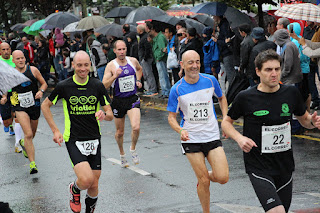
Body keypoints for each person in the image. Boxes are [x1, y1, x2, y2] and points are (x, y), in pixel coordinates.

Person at [222, 49, 320, 213]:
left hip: (284, 165)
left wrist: (313, 122)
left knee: (282, 210)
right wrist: (239, 138)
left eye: (277, 69)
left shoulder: (291, 93)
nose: (274, 74)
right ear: (258, 71)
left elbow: (304, 120)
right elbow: (226, 122)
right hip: (258, 166)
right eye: (268, 70)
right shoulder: (245, 97)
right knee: (277, 211)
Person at [41, 50, 113, 213]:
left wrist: (103, 114)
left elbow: (110, 114)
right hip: (74, 138)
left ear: (90, 66)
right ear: (73, 65)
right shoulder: (64, 86)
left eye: (86, 65)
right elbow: (45, 106)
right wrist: (55, 131)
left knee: (94, 184)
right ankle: (74, 189)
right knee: (86, 179)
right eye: (79, 65)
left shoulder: (97, 85)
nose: (82, 68)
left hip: (94, 139)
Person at [167, 50, 229, 213]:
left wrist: (226, 119)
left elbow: (222, 98)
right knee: (204, 181)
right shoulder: (177, 89)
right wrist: (180, 130)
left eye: (197, 62)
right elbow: (171, 117)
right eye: (190, 62)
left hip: (211, 135)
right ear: (182, 65)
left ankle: (203, 173)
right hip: (191, 138)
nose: (194, 66)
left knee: (222, 177)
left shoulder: (210, 80)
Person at [102, 40, 143, 168]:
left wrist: (138, 80)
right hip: (118, 101)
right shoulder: (111, 65)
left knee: (136, 127)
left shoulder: (132, 61)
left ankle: (133, 149)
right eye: (119, 49)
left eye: (123, 49)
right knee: (120, 132)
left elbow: (139, 69)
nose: (122, 52)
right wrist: (114, 76)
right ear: (114, 50)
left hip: (132, 98)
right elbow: (104, 85)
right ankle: (122, 154)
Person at [11, 50, 48, 174]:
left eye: (22, 58)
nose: (21, 60)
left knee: (31, 135)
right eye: (18, 59)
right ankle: (33, 164)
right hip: (20, 107)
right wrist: (6, 97)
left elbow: (44, 84)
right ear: (13, 61)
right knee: (27, 134)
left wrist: (41, 91)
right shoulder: (11, 73)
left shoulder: (33, 70)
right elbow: (5, 88)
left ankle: (23, 143)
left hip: (34, 105)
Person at [149, 23, 171, 99]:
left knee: (163, 75)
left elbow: (162, 49)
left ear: (154, 30)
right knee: (162, 75)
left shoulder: (160, 37)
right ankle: (164, 91)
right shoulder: (158, 37)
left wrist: (159, 57)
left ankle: (166, 91)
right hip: (158, 58)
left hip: (160, 59)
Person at [136, 24, 157, 96]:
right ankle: (150, 89)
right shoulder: (144, 37)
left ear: (140, 30)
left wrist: (144, 58)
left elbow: (147, 49)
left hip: (146, 59)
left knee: (148, 74)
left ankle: (152, 89)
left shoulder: (144, 38)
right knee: (146, 75)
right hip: (145, 58)